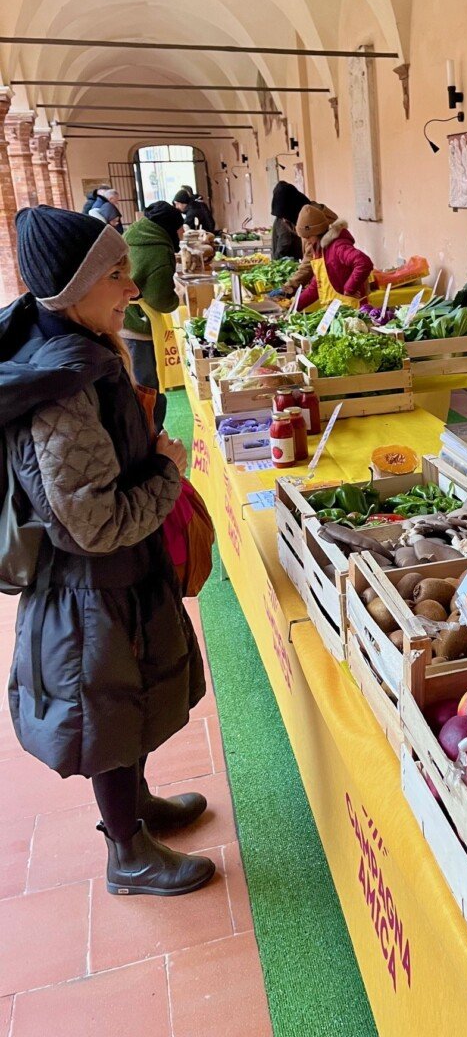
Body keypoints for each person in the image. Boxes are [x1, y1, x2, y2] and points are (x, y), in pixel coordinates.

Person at [1, 205, 213, 896]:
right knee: (106, 711)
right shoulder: (64, 387)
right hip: (88, 588)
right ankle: (127, 852)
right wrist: (166, 470)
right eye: (116, 274)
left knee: (127, 702)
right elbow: (91, 523)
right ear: (74, 290)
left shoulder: (78, 351)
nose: (131, 287)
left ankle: (138, 810)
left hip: (112, 582)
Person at [122, 201, 184, 430]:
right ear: (169, 227)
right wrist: (177, 298)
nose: (183, 232)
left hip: (121, 317)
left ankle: (145, 431)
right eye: (180, 228)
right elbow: (160, 299)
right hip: (138, 325)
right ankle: (150, 434)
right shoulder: (158, 251)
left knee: (132, 382)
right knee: (147, 385)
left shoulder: (134, 234)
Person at [283, 203, 374, 311]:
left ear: (318, 232)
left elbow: (363, 262)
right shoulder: (319, 250)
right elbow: (317, 286)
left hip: (352, 309)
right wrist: (294, 306)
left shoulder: (338, 246)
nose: (306, 241)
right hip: (333, 311)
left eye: (308, 236)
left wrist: (350, 288)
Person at [270, 180, 310, 259]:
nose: (284, 220)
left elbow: (284, 242)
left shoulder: (304, 214)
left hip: (294, 260)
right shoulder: (304, 210)